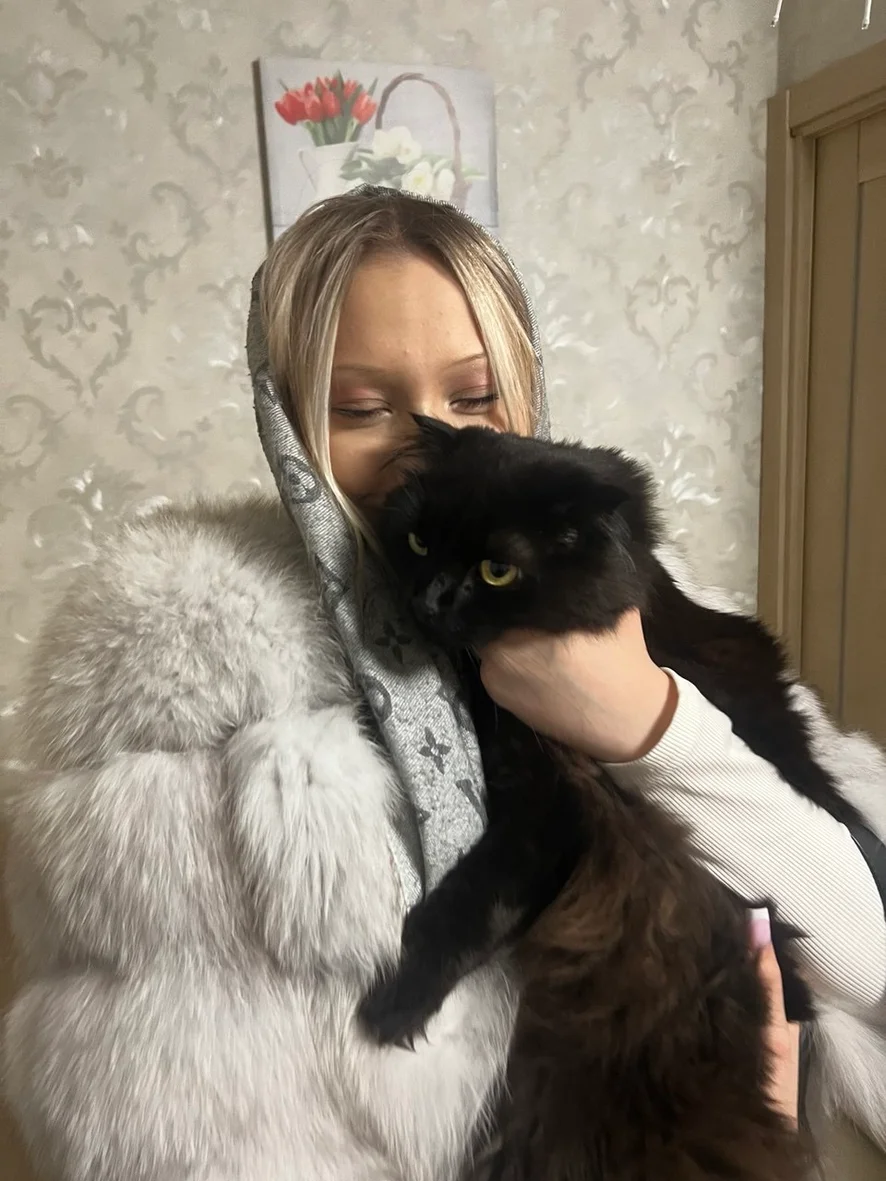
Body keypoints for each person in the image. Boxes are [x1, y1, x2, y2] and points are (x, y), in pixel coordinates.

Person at [3, 186, 883, 1181]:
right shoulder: (188, 671)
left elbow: (858, 956)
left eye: (473, 396)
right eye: (359, 408)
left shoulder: (643, 606)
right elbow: (181, 1123)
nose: (424, 441)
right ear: (287, 417)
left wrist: (651, 724)